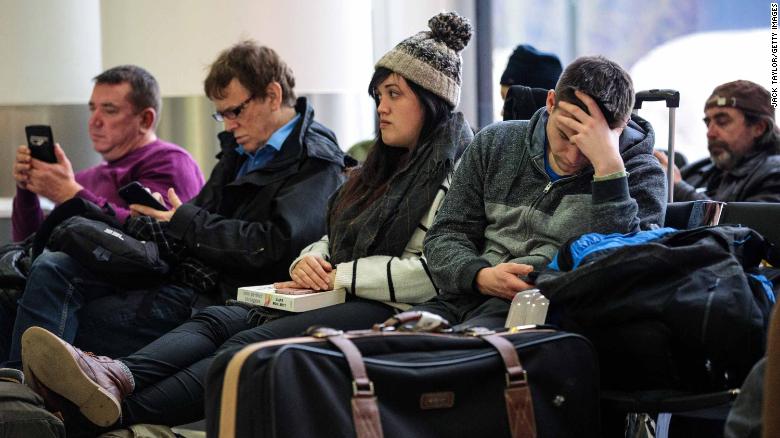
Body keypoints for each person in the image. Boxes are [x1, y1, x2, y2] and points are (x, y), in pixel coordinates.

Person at [20, 12, 474, 431]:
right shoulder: (377, 165)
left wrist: (333, 270)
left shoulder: (450, 169)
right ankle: (111, 377)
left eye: (394, 94)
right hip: (279, 286)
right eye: (378, 95)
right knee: (211, 317)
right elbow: (326, 235)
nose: (381, 107)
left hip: (369, 298)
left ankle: (88, 418)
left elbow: (433, 267)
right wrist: (309, 262)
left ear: (432, 100)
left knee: (239, 342)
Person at [1, 41, 347, 371]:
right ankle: (24, 400)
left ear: (273, 95)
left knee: (54, 311)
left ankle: (32, 407)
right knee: (48, 270)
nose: (229, 125)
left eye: (235, 111)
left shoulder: (314, 159)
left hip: (222, 298)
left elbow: (274, 247)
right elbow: (191, 220)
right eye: (221, 115)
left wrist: (182, 220)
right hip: (189, 281)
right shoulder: (240, 152)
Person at [412, 55, 667, 329]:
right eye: (565, 135)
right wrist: (480, 276)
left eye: (588, 144)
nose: (572, 155)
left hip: (544, 307)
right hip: (464, 295)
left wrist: (609, 170)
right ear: (550, 103)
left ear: (620, 127)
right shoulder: (494, 143)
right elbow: (445, 234)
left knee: (455, 356)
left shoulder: (641, 174)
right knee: (385, 349)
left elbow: (622, 272)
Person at [11, 65, 205, 242]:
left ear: (145, 120)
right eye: (92, 109)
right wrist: (26, 190)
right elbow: (29, 244)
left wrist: (70, 195)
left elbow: (157, 241)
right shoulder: (83, 179)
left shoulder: (170, 162)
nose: (94, 121)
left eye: (109, 110)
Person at [654, 80, 780, 202]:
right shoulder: (698, 171)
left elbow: (748, 222)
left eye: (722, 122)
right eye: (708, 123)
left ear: (758, 128)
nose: (710, 133)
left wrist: (678, 189)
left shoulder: (774, 175)